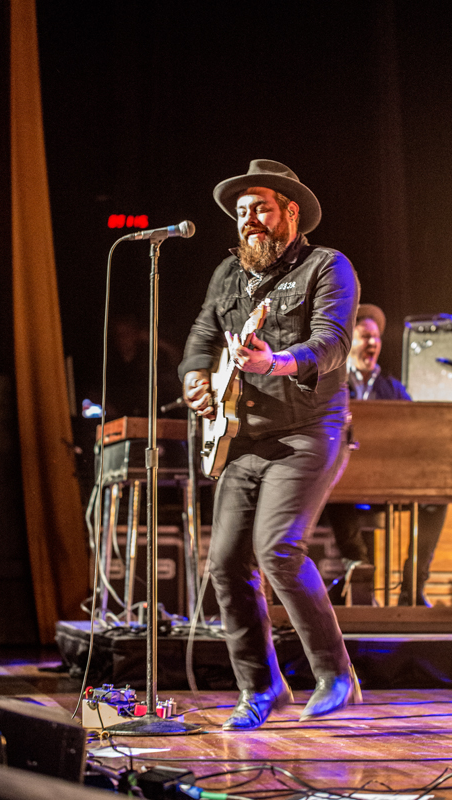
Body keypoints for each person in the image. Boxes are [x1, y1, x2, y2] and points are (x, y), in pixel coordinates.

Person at [179, 160, 362, 730]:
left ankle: (336, 675)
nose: (248, 219)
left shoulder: (326, 267)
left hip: (310, 429)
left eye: (260, 207)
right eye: (240, 211)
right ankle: (260, 688)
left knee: (278, 548)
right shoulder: (227, 276)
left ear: (290, 211)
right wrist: (194, 378)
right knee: (224, 563)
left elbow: (330, 343)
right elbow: (203, 336)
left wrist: (277, 361)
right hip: (242, 436)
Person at [325, 303, 447, 606]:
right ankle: (358, 569)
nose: (373, 343)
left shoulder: (392, 388)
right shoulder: (333, 384)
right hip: (347, 486)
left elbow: (414, 434)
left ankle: (413, 584)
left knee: (436, 501)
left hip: (389, 484)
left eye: (376, 337)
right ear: (349, 340)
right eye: (365, 336)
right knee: (334, 489)